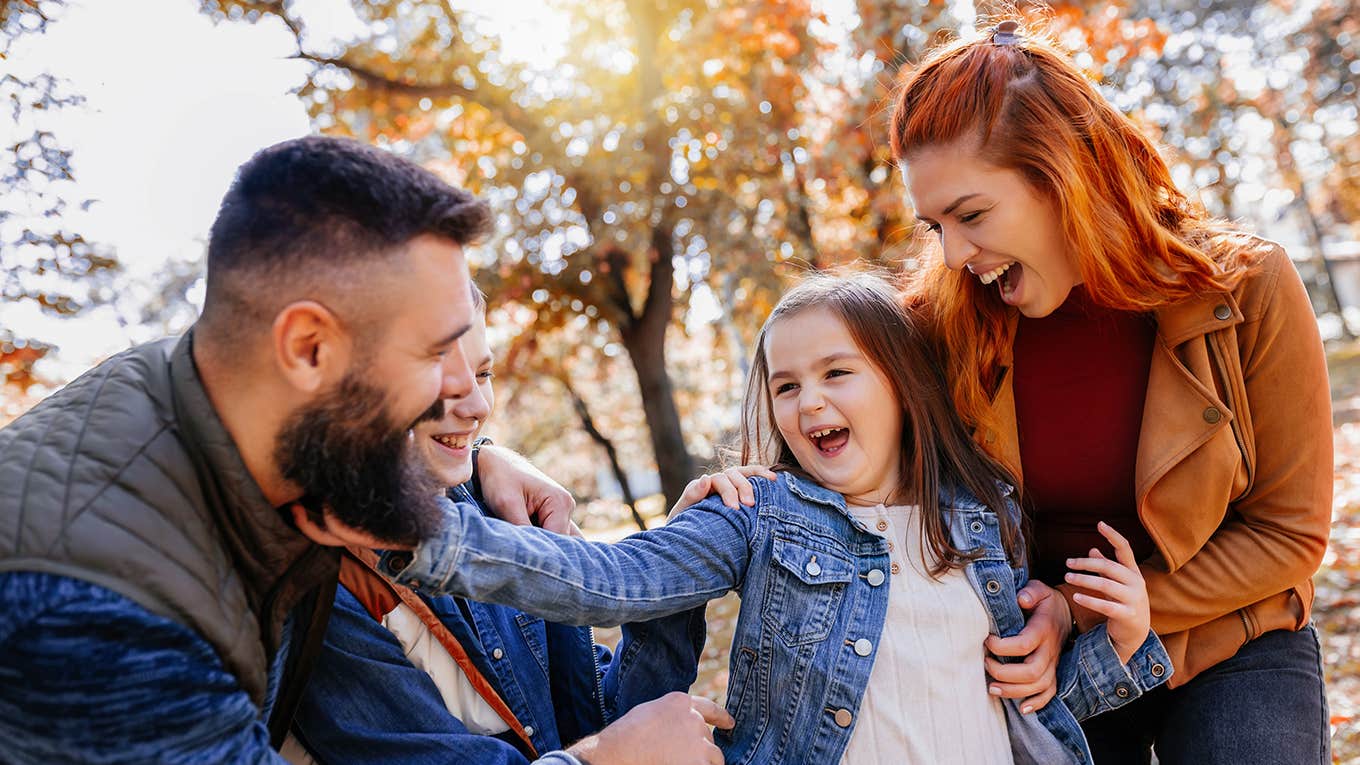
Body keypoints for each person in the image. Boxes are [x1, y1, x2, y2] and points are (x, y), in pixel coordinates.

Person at [0, 135, 723, 764]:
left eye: (475, 366)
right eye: (436, 354)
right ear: (308, 347)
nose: (461, 393)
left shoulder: (250, 396)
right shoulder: (91, 609)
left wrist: (475, 452)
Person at [303, 272, 1175, 765]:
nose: (808, 402)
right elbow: (604, 578)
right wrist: (431, 535)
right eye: (785, 385)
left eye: (838, 372)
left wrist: (1125, 643)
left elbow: (1025, 700)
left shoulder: (984, 520)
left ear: (903, 387)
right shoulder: (760, 514)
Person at [889, 19, 1333, 763]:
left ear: (1063, 173)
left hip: (1234, 634)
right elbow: (836, 427)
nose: (956, 254)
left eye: (971, 215)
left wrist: (1090, 605)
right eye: (936, 226)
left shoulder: (1247, 288)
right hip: (1049, 659)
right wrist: (747, 482)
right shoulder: (941, 327)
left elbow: (1289, 534)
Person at [285, 283, 732, 765]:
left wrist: (673, 565)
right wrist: (607, 758)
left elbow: (592, 711)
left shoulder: (501, 507)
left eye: (483, 372)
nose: (477, 405)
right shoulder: (321, 585)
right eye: (440, 375)